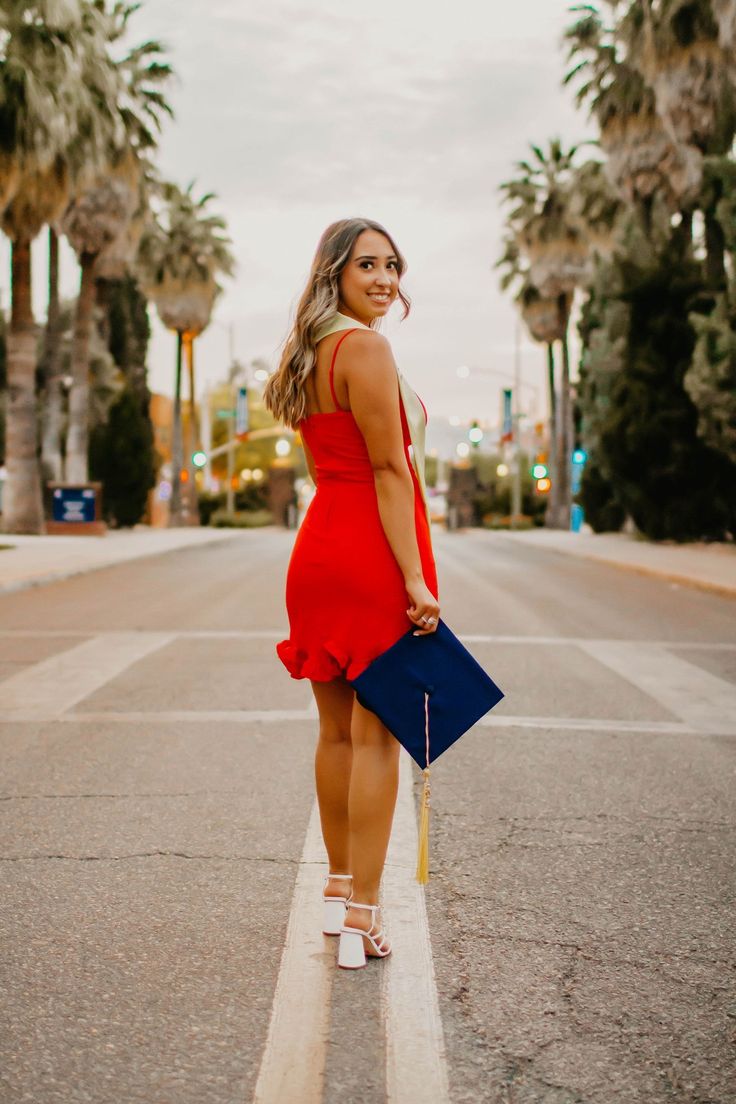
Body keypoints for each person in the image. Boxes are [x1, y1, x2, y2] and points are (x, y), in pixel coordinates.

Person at [264, 217, 440, 969]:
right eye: (367, 264)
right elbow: (391, 472)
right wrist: (413, 578)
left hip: (318, 547)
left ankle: (338, 893)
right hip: (369, 550)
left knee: (337, 732)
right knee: (380, 738)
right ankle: (364, 916)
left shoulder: (309, 354)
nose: (384, 279)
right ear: (333, 272)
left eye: (393, 265)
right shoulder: (365, 349)